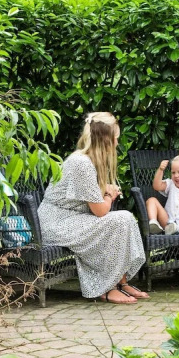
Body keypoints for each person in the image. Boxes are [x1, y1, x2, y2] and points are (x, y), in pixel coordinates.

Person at [37, 112, 148, 304]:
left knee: (125, 219)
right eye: (116, 138)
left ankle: (121, 282)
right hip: (56, 223)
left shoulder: (89, 161)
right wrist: (109, 195)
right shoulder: (81, 163)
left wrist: (105, 191)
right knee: (120, 219)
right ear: (105, 139)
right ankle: (106, 288)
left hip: (72, 219)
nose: (117, 143)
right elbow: (100, 211)